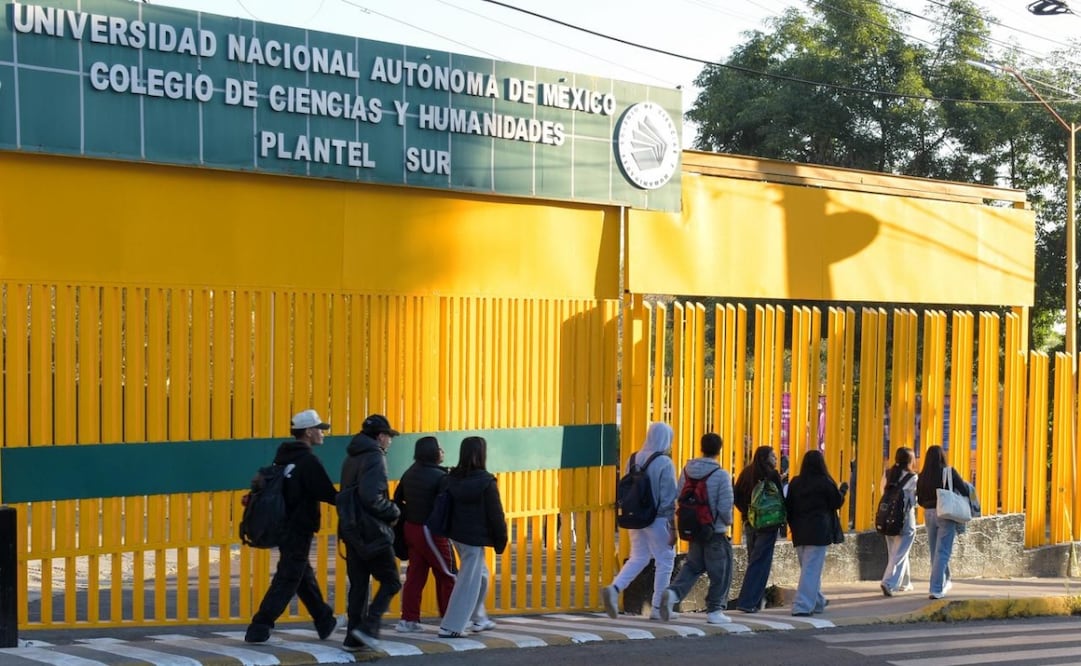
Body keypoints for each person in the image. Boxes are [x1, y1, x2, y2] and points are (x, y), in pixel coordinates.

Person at [244, 409, 339, 644]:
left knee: (301, 575)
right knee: (288, 577)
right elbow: (327, 492)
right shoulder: (308, 461)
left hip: (282, 525)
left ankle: (324, 619)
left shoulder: (283, 457)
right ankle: (260, 625)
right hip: (299, 527)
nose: (323, 433)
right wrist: (354, 500)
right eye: (320, 429)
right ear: (308, 432)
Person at [601, 422, 678, 620]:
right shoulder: (665, 462)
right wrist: (672, 525)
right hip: (658, 519)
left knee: (639, 557)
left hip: (635, 517)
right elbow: (668, 496)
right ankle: (657, 607)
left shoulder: (633, 458)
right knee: (665, 560)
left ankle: (615, 587)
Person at [341, 414, 403, 651]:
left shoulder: (351, 457)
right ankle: (369, 627)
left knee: (359, 585)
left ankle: (353, 639)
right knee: (391, 581)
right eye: (389, 436)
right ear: (380, 436)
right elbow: (371, 497)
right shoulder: (375, 457)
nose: (390, 441)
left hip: (352, 530)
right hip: (372, 530)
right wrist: (393, 511)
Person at [660, 432, 734, 625]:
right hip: (714, 531)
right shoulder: (721, 474)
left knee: (693, 566)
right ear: (719, 450)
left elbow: (678, 496)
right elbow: (725, 507)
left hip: (692, 528)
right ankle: (715, 610)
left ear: (701, 447)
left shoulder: (687, 471)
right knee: (721, 571)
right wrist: (727, 522)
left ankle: (672, 593)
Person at [438, 436, 508, 638]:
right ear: (481, 454)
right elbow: (496, 514)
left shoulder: (451, 478)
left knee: (481, 576)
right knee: (468, 582)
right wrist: (500, 540)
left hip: (457, 536)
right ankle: (451, 626)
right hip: (474, 539)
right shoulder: (486, 481)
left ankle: (478, 617)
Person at [395, 436, 456, 633]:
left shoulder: (409, 473)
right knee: (449, 575)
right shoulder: (440, 477)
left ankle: (409, 619)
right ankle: (451, 619)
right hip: (431, 531)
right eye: (440, 448)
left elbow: (398, 498)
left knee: (415, 574)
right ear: (433, 452)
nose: (442, 452)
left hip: (411, 528)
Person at [784, 449, 848, 616]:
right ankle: (801, 606)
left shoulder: (795, 482)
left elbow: (788, 506)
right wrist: (842, 491)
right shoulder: (825, 482)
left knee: (808, 568)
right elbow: (836, 502)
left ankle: (818, 601)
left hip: (799, 531)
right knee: (811, 569)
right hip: (819, 531)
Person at [732, 445, 785, 613]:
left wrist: (749, 514)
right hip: (768, 526)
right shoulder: (772, 475)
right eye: (773, 456)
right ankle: (748, 602)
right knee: (761, 563)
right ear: (765, 458)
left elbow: (737, 496)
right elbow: (780, 500)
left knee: (753, 561)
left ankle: (756, 601)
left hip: (750, 524)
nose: (776, 460)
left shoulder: (746, 473)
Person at [916, 444, 970, 600]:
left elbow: (920, 499)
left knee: (935, 552)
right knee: (943, 552)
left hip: (929, 514)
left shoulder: (922, 476)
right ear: (942, 457)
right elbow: (965, 490)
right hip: (945, 514)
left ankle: (945, 580)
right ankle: (936, 588)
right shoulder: (948, 472)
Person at [880, 446, 918, 596]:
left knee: (895, 552)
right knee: (900, 553)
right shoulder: (913, 477)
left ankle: (905, 583)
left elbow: (883, 492)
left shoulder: (889, 474)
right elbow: (916, 500)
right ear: (910, 460)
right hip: (906, 518)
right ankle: (889, 583)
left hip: (887, 517)